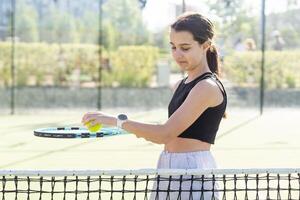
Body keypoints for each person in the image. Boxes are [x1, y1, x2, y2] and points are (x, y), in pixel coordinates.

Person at [82, 12, 227, 200]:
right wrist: (126, 124)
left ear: (205, 46)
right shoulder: (180, 85)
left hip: (194, 171)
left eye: (185, 47)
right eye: (173, 47)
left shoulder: (206, 87)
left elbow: (164, 134)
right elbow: (167, 130)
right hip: (167, 164)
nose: (177, 54)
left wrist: (115, 121)